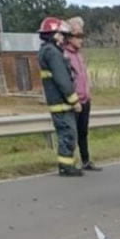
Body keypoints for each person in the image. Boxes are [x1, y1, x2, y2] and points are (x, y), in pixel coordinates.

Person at [37, 17, 83, 177]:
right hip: (61, 104)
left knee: (66, 134)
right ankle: (66, 167)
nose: (64, 38)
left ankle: (66, 165)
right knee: (68, 134)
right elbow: (62, 80)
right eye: (61, 34)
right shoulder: (53, 53)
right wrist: (74, 100)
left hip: (57, 102)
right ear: (54, 34)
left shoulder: (46, 51)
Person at [64, 17, 101, 171]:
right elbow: (66, 80)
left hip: (85, 99)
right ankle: (69, 163)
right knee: (72, 133)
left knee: (83, 132)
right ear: (69, 37)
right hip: (74, 100)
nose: (81, 40)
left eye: (82, 36)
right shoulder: (65, 55)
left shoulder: (79, 55)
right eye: (78, 36)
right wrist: (73, 99)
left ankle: (85, 160)